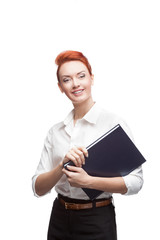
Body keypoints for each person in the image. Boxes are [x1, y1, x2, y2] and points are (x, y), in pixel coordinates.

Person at [32, 50, 143, 240]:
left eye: (81, 76)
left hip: (97, 219)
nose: (75, 84)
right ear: (60, 87)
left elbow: (136, 182)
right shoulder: (55, 131)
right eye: (66, 80)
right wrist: (61, 167)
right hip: (59, 217)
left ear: (91, 78)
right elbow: (37, 188)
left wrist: (89, 182)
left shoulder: (113, 123)